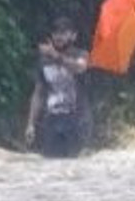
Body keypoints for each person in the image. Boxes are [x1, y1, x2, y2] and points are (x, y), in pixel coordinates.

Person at [26, 17, 89, 158]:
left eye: (64, 32)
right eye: (56, 32)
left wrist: (55, 56)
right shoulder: (44, 61)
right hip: (51, 120)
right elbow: (38, 94)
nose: (59, 36)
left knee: (75, 163)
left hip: (76, 120)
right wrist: (31, 124)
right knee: (51, 164)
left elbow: (79, 67)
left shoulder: (81, 54)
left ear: (73, 35)